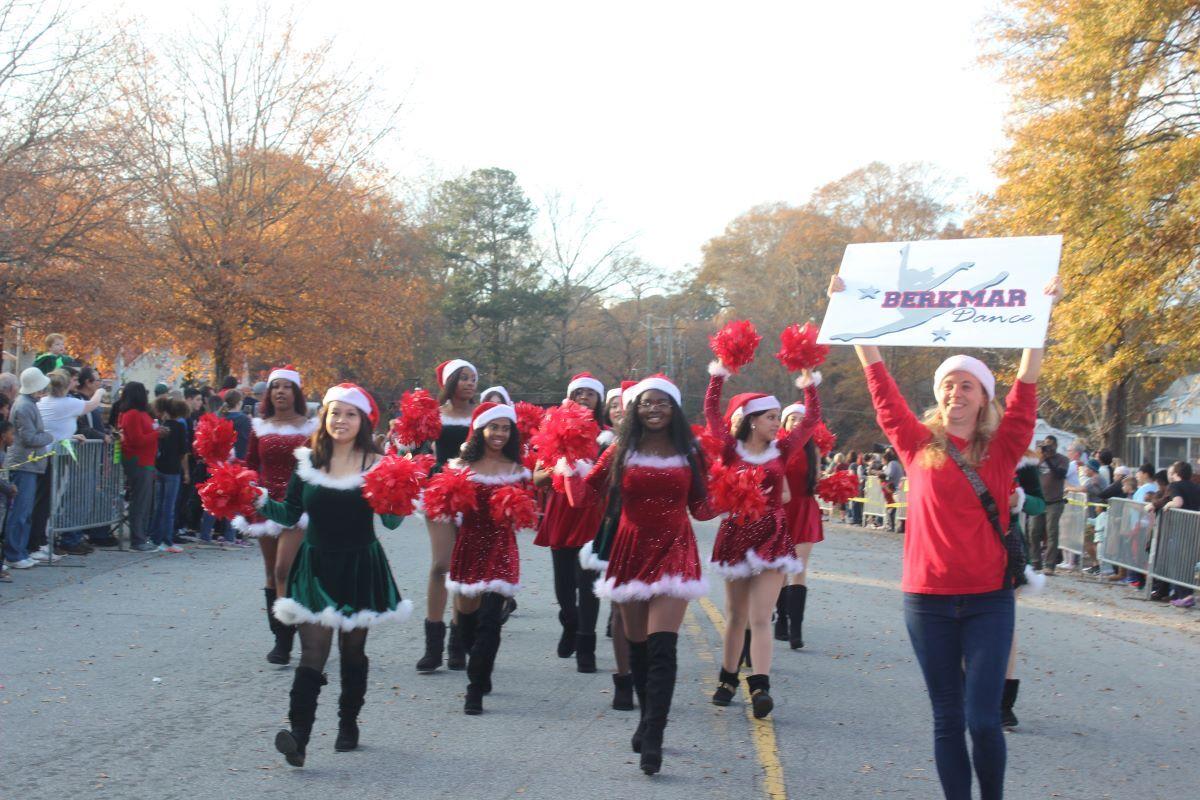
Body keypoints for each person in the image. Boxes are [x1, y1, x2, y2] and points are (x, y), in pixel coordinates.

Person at [830, 272, 1057, 800]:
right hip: (926, 600)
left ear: (983, 399)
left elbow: (1026, 392)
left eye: (968, 386)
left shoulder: (1003, 448)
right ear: (939, 395)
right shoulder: (914, 444)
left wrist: (1040, 319)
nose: (956, 393)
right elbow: (881, 390)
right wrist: (854, 319)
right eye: (949, 385)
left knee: (982, 719)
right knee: (947, 720)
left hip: (988, 602)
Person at [559, 373, 715, 775]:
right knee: (639, 647)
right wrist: (566, 467)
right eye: (646, 402)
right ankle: (646, 721)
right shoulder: (619, 451)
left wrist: (736, 494)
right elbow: (584, 497)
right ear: (634, 409)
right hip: (629, 551)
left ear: (675, 408)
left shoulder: (691, 452)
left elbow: (702, 508)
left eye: (662, 402)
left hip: (675, 550)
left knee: (663, 647)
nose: (654, 408)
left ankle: (656, 738)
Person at [256, 383, 410, 767]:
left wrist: (403, 493)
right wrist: (257, 500)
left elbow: (390, 523)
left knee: (352, 650)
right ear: (324, 417)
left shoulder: (377, 465)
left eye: (350, 414)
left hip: (360, 566)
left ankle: (348, 722)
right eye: (334, 413)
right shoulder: (307, 461)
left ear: (364, 421)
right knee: (312, 650)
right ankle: (300, 736)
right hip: (315, 569)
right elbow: (290, 514)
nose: (341, 420)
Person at [703, 356, 821, 718]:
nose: (777, 424)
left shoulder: (782, 450)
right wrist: (719, 373)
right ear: (753, 420)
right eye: (771, 418)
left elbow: (812, 421)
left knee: (761, 616)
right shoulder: (729, 448)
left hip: (772, 536)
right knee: (736, 615)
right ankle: (727, 678)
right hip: (736, 535)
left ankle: (760, 686)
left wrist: (808, 383)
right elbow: (710, 410)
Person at [445, 402, 530, 713]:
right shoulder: (460, 468)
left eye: (506, 428)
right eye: (494, 427)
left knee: (490, 621)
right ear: (481, 430)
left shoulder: (518, 470)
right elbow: (442, 505)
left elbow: (531, 503)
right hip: (468, 548)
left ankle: (475, 689)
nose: (500, 433)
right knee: (467, 622)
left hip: (502, 550)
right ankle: (478, 665)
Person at [237, 367, 317, 664]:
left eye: (287, 387)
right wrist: (240, 485)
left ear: (296, 393)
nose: (280, 392)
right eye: (275, 387)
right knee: (272, 571)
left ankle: (287, 637)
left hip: (298, 506)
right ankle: (281, 639)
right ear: (269, 394)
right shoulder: (259, 426)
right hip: (266, 504)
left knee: (285, 569)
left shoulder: (311, 427)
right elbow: (250, 463)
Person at [533, 373, 609, 670]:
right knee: (564, 585)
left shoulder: (607, 436)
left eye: (590, 393)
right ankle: (570, 621)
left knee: (588, 583)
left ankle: (586, 646)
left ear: (599, 400)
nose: (584, 397)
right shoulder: (553, 431)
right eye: (579, 393)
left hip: (593, 513)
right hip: (562, 511)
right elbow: (537, 477)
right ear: (569, 397)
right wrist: (559, 467)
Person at [416, 358, 478, 674]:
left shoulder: (482, 417)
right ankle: (433, 644)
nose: (469, 383)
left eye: (472, 378)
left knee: (463, 567)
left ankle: (458, 643)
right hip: (439, 492)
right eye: (463, 378)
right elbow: (414, 451)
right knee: (442, 564)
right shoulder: (433, 416)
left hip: (473, 493)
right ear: (449, 382)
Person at [775, 397, 825, 650]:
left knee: (798, 567)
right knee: (781, 568)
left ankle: (796, 629)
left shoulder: (812, 449)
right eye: (792, 418)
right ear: (784, 422)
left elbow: (816, 481)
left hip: (805, 509)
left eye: (800, 419)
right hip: (781, 511)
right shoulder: (777, 447)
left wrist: (829, 484)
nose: (796, 422)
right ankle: (781, 618)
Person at [36, 369, 102, 555]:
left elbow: (56, 427)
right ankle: (41, 541)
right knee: (48, 501)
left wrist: (72, 436)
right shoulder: (68, 403)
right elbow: (93, 404)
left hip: (48, 455)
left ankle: (42, 540)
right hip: (53, 457)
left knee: (45, 500)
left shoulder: (44, 402)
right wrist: (101, 391)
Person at [4, 368, 56, 568]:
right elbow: (29, 438)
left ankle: (20, 550)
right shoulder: (25, 407)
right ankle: (14, 553)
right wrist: (48, 437)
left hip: (28, 463)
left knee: (24, 512)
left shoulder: (27, 405)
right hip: (24, 463)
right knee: (20, 510)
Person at [1147, 461, 1200, 607]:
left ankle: (1184, 595)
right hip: (1195, 529)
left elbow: (1178, 502)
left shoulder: (1175, 486)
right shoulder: (1196, 487)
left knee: (1177, 562)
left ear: (1176, 474)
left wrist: (1168, 505)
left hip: (1181, 528)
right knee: (1188, 564)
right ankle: (1186, 594)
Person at [116, 382, 159, 552]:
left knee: (144, 501)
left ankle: (141, 536)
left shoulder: (139, 413)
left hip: (146, 461)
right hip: (138, 461)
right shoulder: (132, 414)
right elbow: (136, 440)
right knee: (139, 501)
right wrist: (157, 434)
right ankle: (137, 539)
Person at [150, 397, 188, 553]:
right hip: (173, 469)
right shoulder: (179, 427)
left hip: (160, 468)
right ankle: (167, 540)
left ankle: (155, 537)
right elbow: (183, 452)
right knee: (169, 506)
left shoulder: (162, 427)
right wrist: (186, 471)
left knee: (159, 505)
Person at [1028, 435, 1070, 573]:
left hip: (1055, 501)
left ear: (1056, 446)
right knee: (1034, 531)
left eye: (1050, 445)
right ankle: (1035, 561)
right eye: (1046, 445)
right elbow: (1030, 472)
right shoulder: (1039, 458)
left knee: (1052, 532)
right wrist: (1039, 458)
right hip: (1040, 500)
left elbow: (1060, 474)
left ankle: (1050, 564)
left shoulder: (1062, 459)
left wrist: (1048, 460)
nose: (1048, 447)